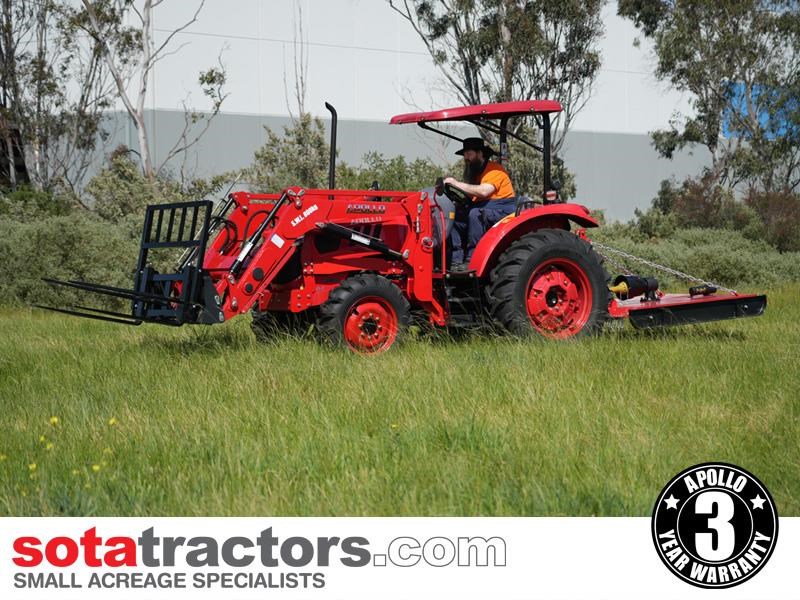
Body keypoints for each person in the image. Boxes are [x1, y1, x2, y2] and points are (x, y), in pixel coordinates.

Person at [443, 137, 516, 271]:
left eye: (469, 154)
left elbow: (484, 191)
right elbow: (473, 195)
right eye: (465, 155)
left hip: (503, 211)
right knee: (455, 216)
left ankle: (472, 259)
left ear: (480, 154)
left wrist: (456, 183)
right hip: (486, 207)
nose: (466, 158)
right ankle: (455, 260)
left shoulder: (495, 170)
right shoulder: (476, 174)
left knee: (475, 213)